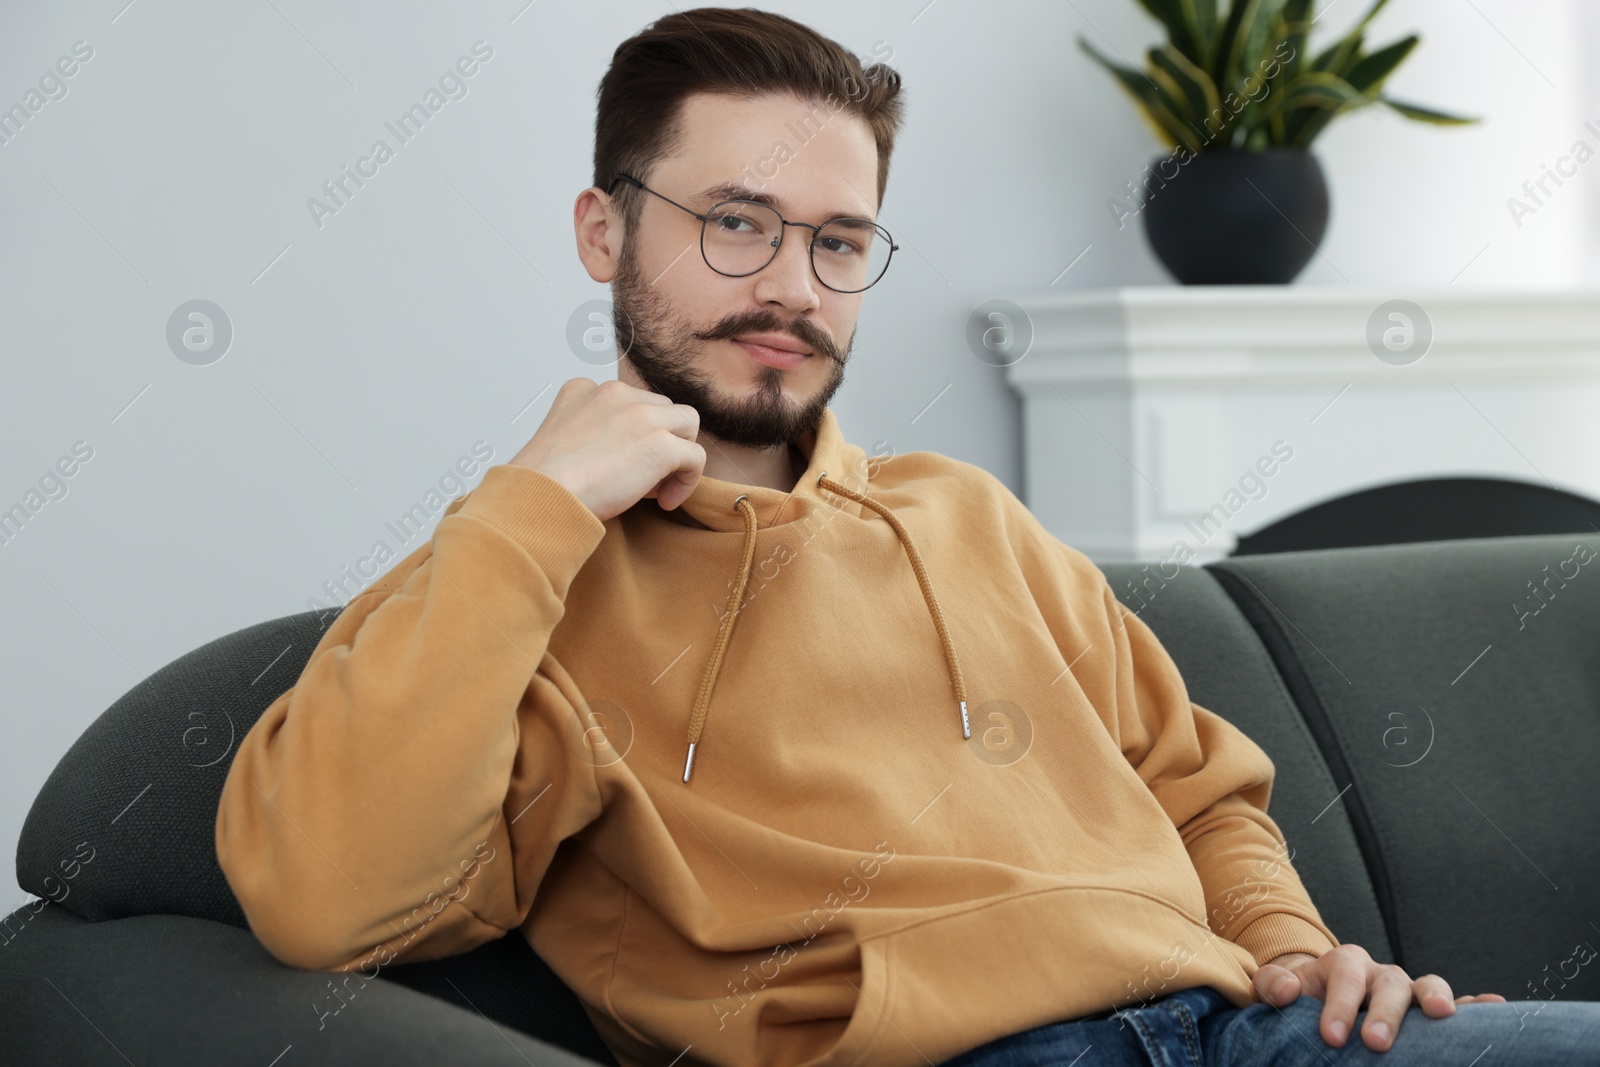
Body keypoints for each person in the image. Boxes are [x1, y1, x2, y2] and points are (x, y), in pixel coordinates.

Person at [215, 8, 1598, 1065]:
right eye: (737, 224)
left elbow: (1200, 792)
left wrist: (1303, 956)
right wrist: (532, 505)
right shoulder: (510, 577)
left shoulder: (964, 514)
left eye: (837, 241)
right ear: (603, 229)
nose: (788, 288)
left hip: (1252, 1033)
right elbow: (325, 904)